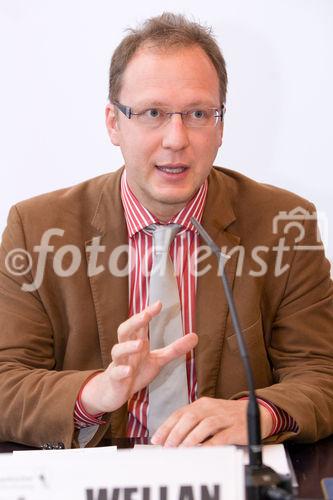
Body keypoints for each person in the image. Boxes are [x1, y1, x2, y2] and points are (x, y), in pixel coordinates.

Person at [0, 12, 332, 449]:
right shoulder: (36, 228)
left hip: (225, 470)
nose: (176, 139)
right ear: (113, 123)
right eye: (153, 112)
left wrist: (258, 415)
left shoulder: (284, 225)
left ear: (220, 125)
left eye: (197, 113)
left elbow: (321, 372)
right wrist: (94, 394)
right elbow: (6, 382)